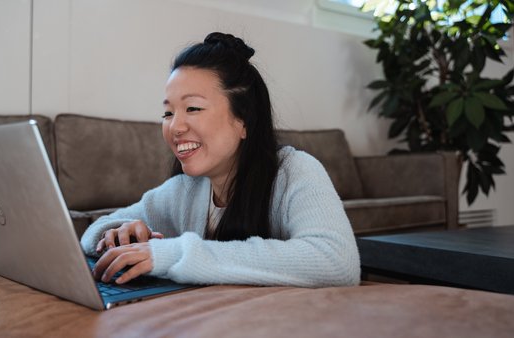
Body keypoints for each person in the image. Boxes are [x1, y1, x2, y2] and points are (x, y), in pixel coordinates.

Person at [81, 32, 360, 287]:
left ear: (244, 121)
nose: (175, 127)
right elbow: (91, 233)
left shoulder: (295, 171)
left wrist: (176, 254)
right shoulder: (184, 190)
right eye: (168, 113)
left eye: (192, 108)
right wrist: (117, 234)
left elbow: (337, 262)